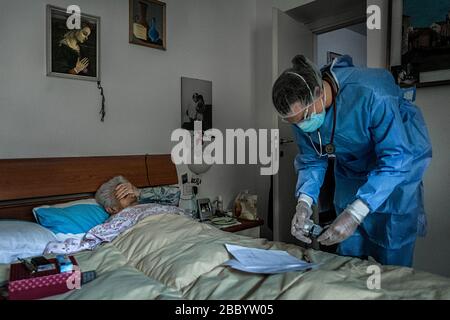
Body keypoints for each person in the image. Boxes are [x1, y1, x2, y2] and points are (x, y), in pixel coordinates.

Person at [272, 55, 432, 267]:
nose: (301, 126)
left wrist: (356, 213)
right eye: (295, 122)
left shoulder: (371, 92)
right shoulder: (303, 117)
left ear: (318, 93)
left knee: (393, 253)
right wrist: (304, 203)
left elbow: (396, 157)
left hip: (394, 175)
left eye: (303, 118)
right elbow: (312, 159)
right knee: (348, 250)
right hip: (351, 171)